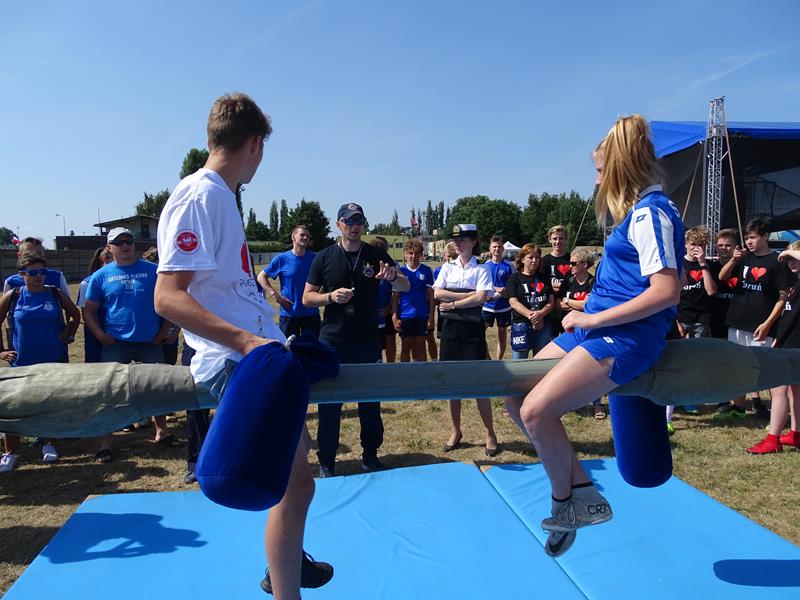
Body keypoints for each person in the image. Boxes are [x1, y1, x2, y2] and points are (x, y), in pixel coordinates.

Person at [154, 93, 332, 598]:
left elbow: (228, 288)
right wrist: (249, 342)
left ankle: (285, 562)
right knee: (295, 485)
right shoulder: (200, 196)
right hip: (236, 360)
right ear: (255, 144)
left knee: (296, 474)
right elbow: (167, 297)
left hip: (256, 355)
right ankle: (284, 583)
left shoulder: (220, 196)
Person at [507, 115, 684, 558]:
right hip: (596, 327)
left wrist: (594, 318)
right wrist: (588, 314)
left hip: (623, 338)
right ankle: (584, 492)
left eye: (601, 170)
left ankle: (564, 501)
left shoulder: (651, 213)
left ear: (621, 168)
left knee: (534, 412)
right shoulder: (635, 214)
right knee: (512, 393)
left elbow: (666, 291)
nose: (597, 179)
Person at [303, 203, 409, 478]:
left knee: (370, 401)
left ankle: (370, 456)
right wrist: (330, 297)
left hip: (366, 339)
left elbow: (405, 285)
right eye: (349, 221)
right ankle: (327, 461)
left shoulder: (376, 255)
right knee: (330, 403)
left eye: (359, 221)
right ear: (338, 224)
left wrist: (392, 277)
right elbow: (307, 297)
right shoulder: (324, 257)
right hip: (333, 339)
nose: (355, 226)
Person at [83, 227, 177, 462]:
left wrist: (164, 331)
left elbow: (168, 302)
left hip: (149, 342)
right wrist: (101, 335)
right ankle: (106, 443)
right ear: (109, 248)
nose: (125, 246)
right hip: (116, 343)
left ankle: (161, 431)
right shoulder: (101, 276)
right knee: (109, 392)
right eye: (119, 242)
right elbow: (89, 311)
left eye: (129, 241)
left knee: (157, 388)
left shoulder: (153, 271)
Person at [0, 253, 80, 472]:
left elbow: (75, 316)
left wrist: (68, 333)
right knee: (14, 407)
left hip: (52, 360)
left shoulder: (55, 293)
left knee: (48, 404)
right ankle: (10, 453)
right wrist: (2, 351)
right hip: (21, 363)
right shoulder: (13, 295)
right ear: (22, 274)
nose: (38, 276)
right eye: (32, 272)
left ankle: (48, 443)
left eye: (42, 272)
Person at [715, 219, 792, 420]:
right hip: (737, 320)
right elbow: (722, 277)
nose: (749, 241)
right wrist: (734, 260)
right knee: (738, 365)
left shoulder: (777, 261)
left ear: (765, 236)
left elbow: (783, 297)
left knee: (766, 369)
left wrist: (768, 323)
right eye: (747, 238)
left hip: (761, 325)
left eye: (753, 237)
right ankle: (738, 407)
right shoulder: (744, 257)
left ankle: (777, 415)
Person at [433, 224, 498, 456]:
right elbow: (437, 293)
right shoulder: (447, 267)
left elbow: (481, 298)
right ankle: (455, 431)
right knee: (452, 385)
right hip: (450, 330)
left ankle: (490, 433)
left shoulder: (481, 268)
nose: (457, 244)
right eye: (455, 240)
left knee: (479, 384)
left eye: (462, 240)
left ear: (473, 242)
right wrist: (466, 296)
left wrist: (452, 303)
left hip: (472, 331)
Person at [747, 241, 800, 453]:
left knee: (778, 389)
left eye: (795, 258)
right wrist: (779, 336)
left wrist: (787, 251)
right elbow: (790, 317)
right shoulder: (795, 283)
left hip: (795, 346)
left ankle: (772, 439)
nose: (790, 262)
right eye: (788, 259)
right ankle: (796, 434)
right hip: (788, 342)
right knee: (794, 390)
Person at [666, 226, 717, 431]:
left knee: (694, 361)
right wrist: (676, 321)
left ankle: (688, 398)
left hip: (700, 318)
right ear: (686, 244)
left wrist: (703, 263)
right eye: (693, 244)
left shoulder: (708, 265)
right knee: (675, 360)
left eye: (701, 245)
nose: (696, 249)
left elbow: (711, 291)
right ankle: (672, 402)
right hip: (680, 316)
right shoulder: (678, 264)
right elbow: (671, 294)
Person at [558, 247, 604, 419]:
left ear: (584, 264)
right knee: (570, 367)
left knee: (593, 367)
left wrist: (569, 301)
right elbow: (559, 303)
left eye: (573, 263)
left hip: (588, 330)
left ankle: (597, 404)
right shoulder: (568, 281)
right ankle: (574, 401)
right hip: (569, 329)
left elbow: (588, 305)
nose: (569, 266)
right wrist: (575, 303)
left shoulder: (593, 282)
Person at [3, 237, 70, 350]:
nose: (35, 256)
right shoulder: (11, 282)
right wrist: (10, 337)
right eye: (29, 253)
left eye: (39, 253)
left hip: (53, 343)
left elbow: (69, 309)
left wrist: (68, 331)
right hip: (24, 344)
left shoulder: (57, 277)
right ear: (19, 255)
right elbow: (6, 314)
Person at [257, 226, 320, 337]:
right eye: (302, 235)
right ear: (293, 237)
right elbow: (261, 277)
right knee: (288, 346)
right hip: (289, 313)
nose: (305, 237)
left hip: (311, 313)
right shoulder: (281, 259)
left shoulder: (315, 259)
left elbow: (324, 278)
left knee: (312, 347)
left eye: (307, 236)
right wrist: (275, 295)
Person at [506, 243, 554, 359]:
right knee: (519, 361)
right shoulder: (514, 278)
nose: (534, 261)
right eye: (530, 257)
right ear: (522, 259)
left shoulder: (544, 278)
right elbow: (513, 302)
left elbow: (551, 301)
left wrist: (540, 314)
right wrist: (532, 316)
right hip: (521, 325)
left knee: (541, 360)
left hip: (543, 325)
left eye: (537, 257)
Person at [392, 239, 434, 362]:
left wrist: (431, 317)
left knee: (421, 346)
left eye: (416, 253)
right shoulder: (401, 272)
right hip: (405, 315)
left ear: (421, 254)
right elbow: (395, 296)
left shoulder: (427, 270)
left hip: (421, 315)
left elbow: (431, 296)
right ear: (405, 253)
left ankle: (422, 372)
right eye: (410, 253)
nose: (413, 256)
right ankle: (405, 372)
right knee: (406, 347)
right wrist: (394, 317)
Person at [76, 247, 114, 363]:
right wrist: (100, 335)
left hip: (117, 333)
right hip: (95, 333)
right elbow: (85, 314)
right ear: (105, 258)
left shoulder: (121, 279)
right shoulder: (87, 282)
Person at [482, 236, 514, 359]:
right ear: (490, 249)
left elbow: (512, 285)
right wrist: (495, 289)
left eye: (499, 246)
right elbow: (482, 284)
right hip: (487, 307)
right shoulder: (485, 265)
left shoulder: (509, 266)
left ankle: (498, 361)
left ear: (503, 249)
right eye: (494, 246)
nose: (497, 249)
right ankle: (488, 359)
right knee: (480, 333)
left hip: (503, 307)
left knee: (502, 334)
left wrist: (501, 292)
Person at [539, 225, 571, 338]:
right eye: (554, 238)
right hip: (549, 309)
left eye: (561, 238)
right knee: (550, 341)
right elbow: (539, 284)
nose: (558, 241)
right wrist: (550, 287)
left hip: (568, 307)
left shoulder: (572, 259)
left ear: (566, 239)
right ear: (549, 240)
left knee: (568, 341)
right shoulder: (544, 261)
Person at [370, 236, 397, 363]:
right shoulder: (368, 266)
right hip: (373, 312)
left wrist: (390, 308)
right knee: (376, 343)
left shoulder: (393, 266)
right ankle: (377, 364)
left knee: (390, 341)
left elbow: (396, 290)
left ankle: (390, 367)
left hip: (388, 310)